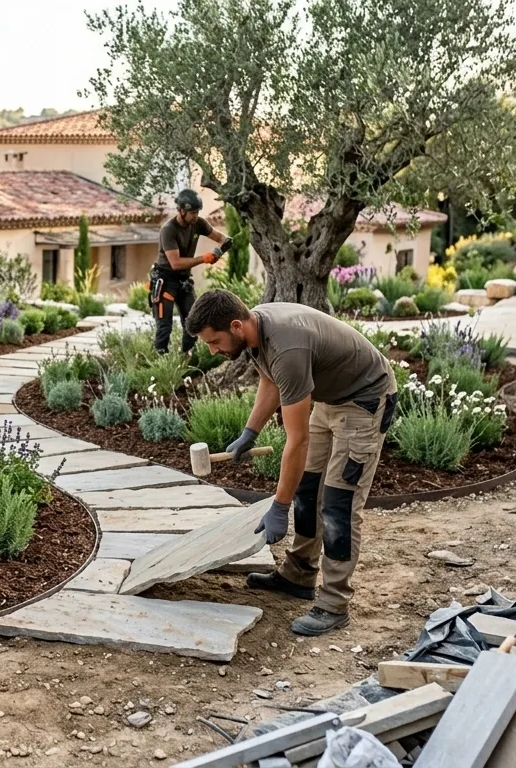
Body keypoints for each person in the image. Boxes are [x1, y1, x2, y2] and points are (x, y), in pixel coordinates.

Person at [185, 289, 397, 636]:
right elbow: (271, 381)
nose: (212, 350)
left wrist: (279, 507)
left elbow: (297, 441)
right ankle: (298, 575)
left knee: (339, 505)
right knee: (308, 490)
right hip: (331, 399)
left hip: (365, 400)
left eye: (214, 342)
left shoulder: (287, 348)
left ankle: (334, 604)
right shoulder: (256, 330)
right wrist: (250, 431)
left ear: (236, 326)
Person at [149, 189, 232, 354]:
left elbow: (222, 238)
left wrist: (220, 251)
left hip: (184, 280)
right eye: (192, 213)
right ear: (181, 211)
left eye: (197, 212)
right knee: (164, 326)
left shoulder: (198, 223)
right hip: (166, 280)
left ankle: (186, 358)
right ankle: (160, 360)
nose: (195, 216)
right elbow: (176, 263)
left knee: (193, 322)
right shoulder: (168, 230)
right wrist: (204, 258)